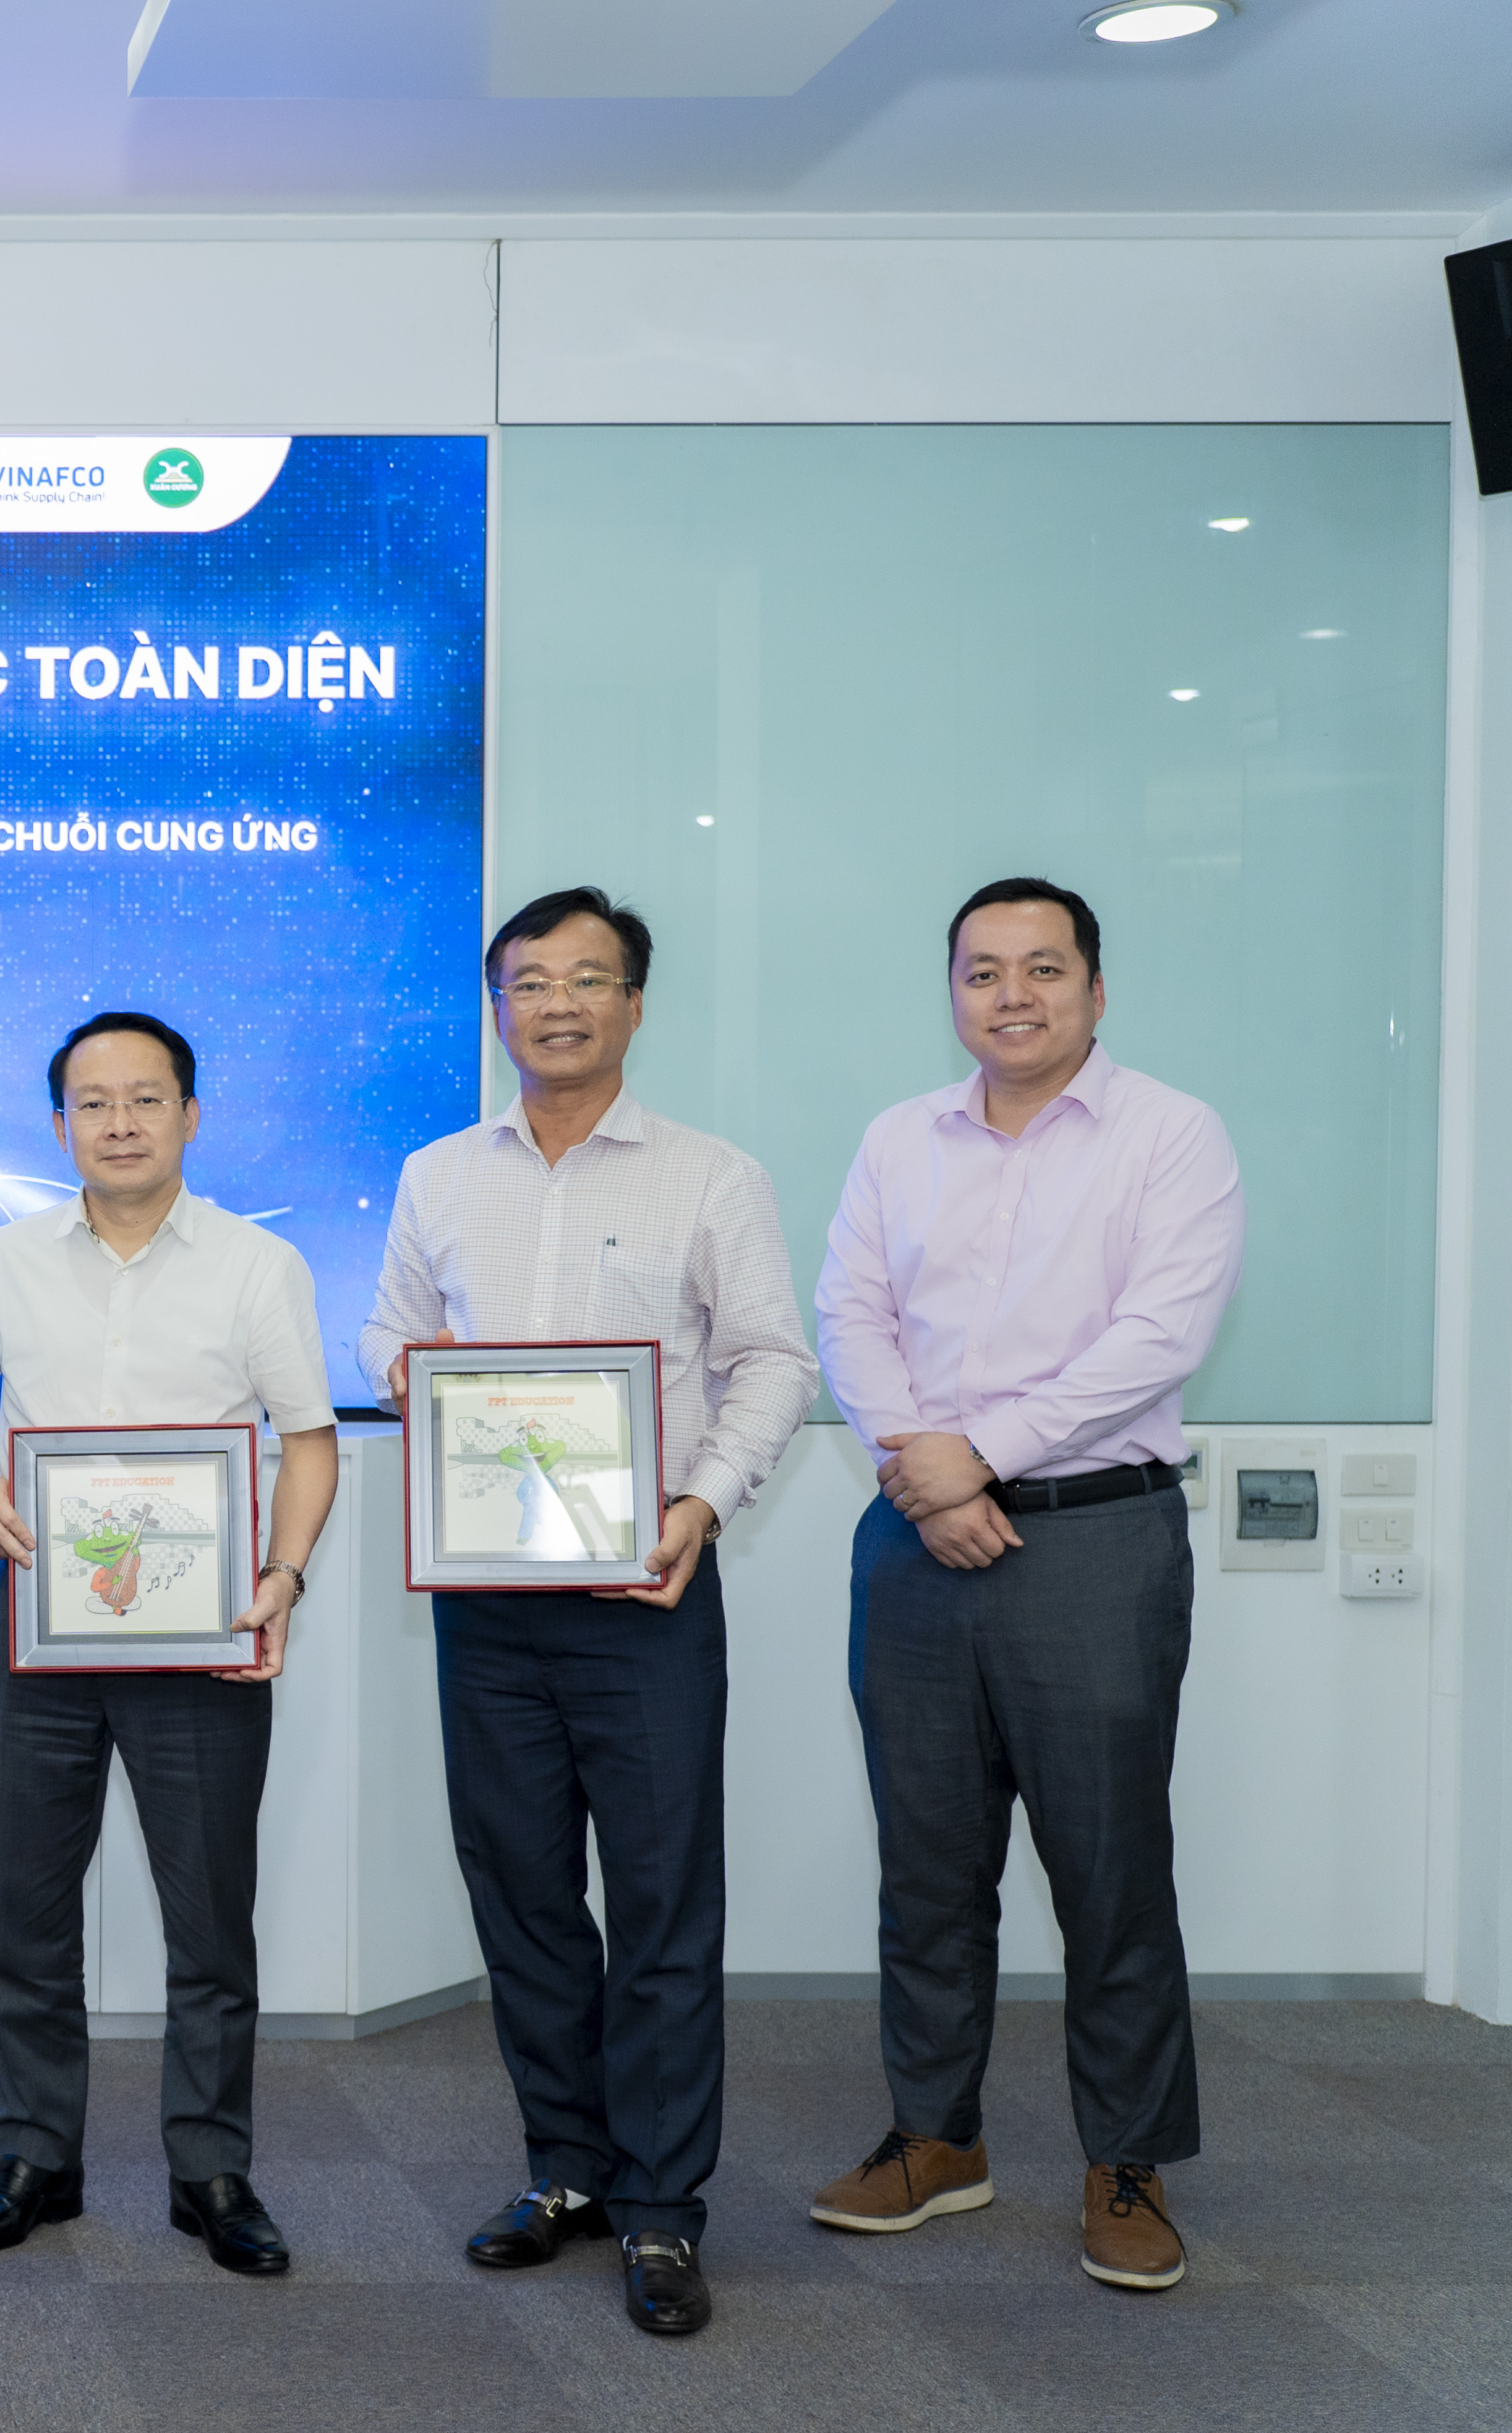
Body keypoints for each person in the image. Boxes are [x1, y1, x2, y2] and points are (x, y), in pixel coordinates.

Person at [359, 888, 817, 2339]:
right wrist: (428, 1387)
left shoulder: (710, 1177)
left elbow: (773, 1364)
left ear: (635, 1004)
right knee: (526, 1896)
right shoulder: (439, 1173)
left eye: (589, 979)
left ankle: (665, 2209)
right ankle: (566, 2169)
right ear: (497, 1005)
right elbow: (387, 1332)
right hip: (489, 1601)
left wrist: (701, 1502)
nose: (558, 1003)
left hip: (646, 1591)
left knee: (666, 1904)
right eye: (529, 981)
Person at [810, 878, 1242, 2293]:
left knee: (1109, 1866)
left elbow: (1158, 1334)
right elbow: (850, 1316)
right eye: (984, 970)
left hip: (1097, 1538)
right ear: (952, 992)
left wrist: (977, 1456)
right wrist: (926, 1476)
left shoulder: (1172, 1136)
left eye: (1044, 968)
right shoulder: (897, 1141)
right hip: (917, 1542)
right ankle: (936, 2135)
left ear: (1096, 990)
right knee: (927, 1864)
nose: (1014, 994)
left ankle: (1127, 2157)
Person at [0, 1011, 340, 2278]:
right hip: (39, 1623)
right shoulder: (3, 1257)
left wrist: (281, 1574)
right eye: (93, 1102)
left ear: (190, 1116)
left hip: (203, 1631)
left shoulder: (258, 1263)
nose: (120, 1122)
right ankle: (35, 2155)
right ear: (60, 1124)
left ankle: (211, 2165)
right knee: (27, 1911)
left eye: (146, 1099)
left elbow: (311, 1438)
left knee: (209, 1916)